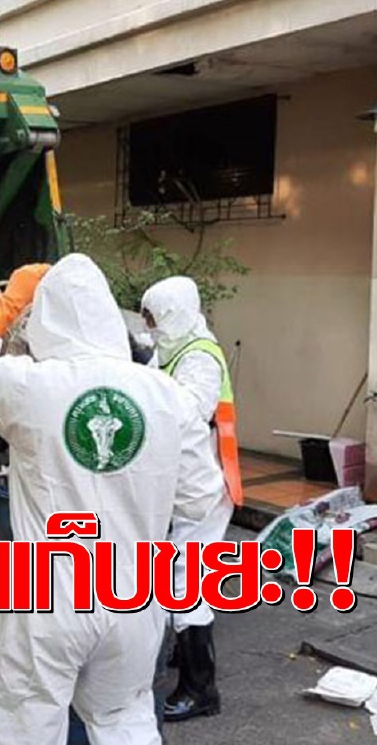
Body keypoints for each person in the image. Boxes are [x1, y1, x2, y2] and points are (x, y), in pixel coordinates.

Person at [0, 255, 225, 745]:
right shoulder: (167, 395)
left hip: (48, 599)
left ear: (47, 319)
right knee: (128, 727)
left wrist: (4, 307)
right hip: (133, 596)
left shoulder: (29, 385)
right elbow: (199, 499)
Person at [140, 276, 244, 722]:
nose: (151, 328)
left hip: (204, 489)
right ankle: (184, 654)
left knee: (185, 584)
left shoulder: (200, 357)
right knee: (179, 578)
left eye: (155, 319)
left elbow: (185, 413)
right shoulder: (174, 348)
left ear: (176, 314)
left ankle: (201, 690)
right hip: (185, 486)